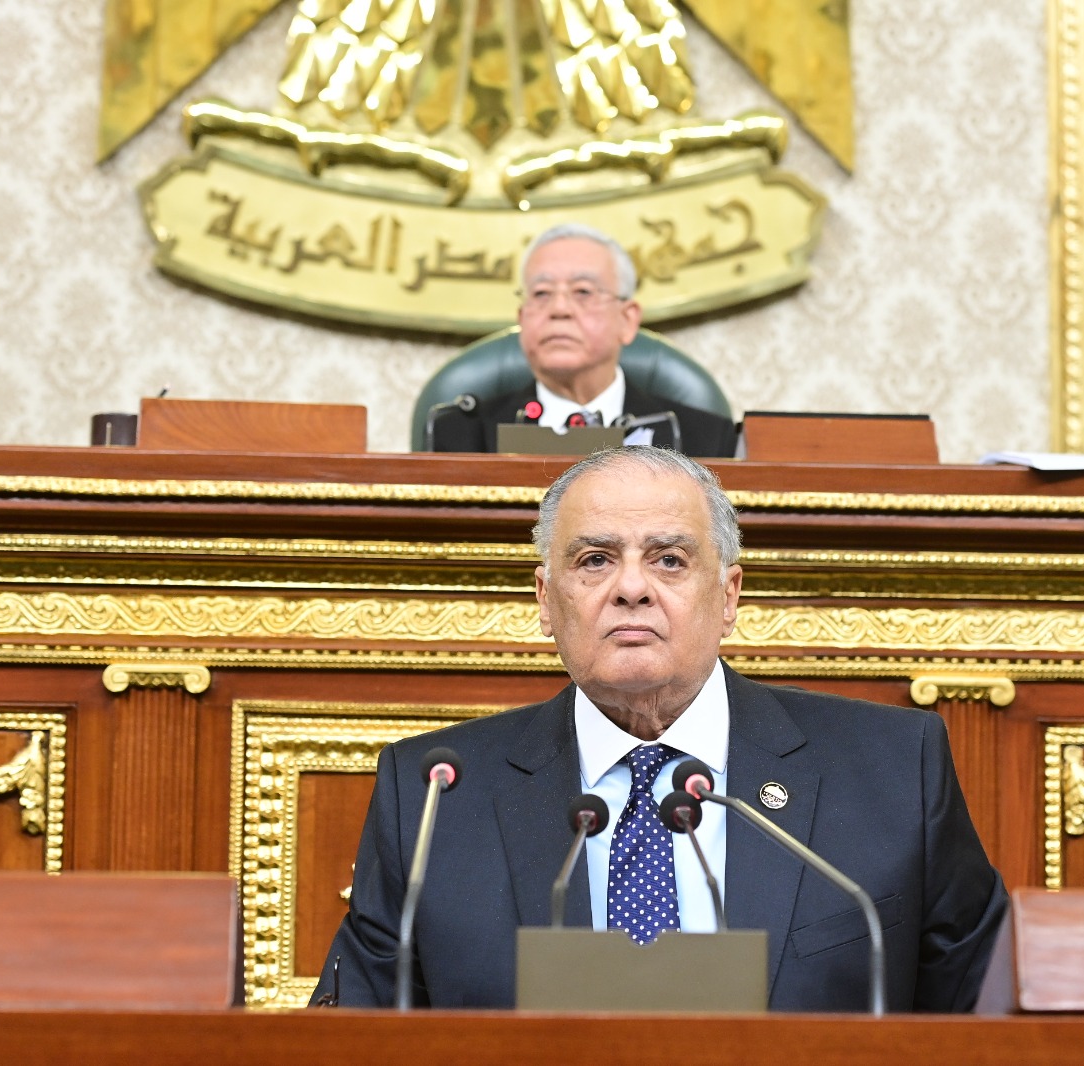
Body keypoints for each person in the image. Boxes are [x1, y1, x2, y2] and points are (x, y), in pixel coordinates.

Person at [312, 447, 1007, 1011]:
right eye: (594, 560)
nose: (632, 588)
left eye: (669, 559)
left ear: (728, 596)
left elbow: (988, 1013)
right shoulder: (435, 799)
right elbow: (352, 1038)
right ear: (545, 600)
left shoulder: (894, 769)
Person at [428, 224, 740, 458]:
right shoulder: (462, 436)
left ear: (627, 320)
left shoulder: (705, 439)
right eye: (541, 294)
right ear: (522, 318)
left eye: (582, 292)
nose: (559, 309)